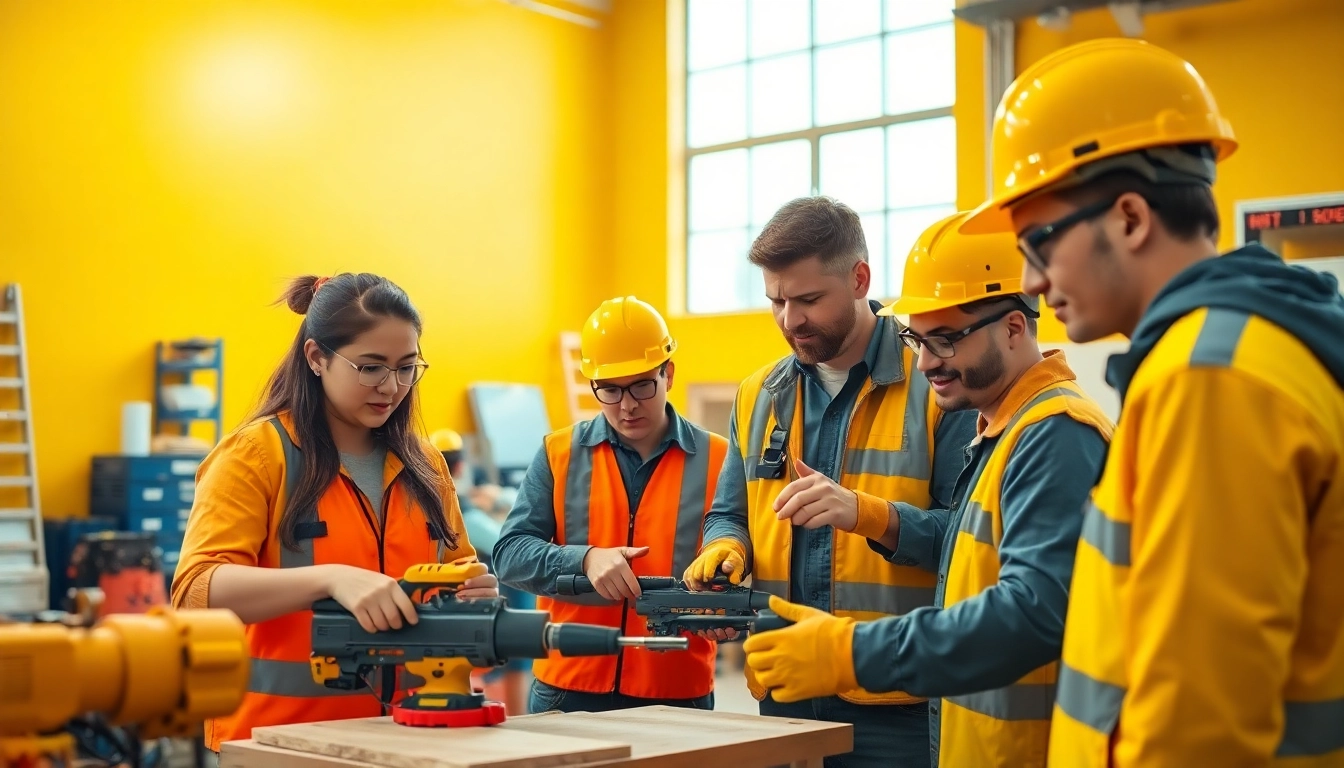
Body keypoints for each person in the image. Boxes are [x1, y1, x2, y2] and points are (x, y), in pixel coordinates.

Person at [959, 38, 1344, 766]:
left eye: (1039, 244)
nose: (1033, 283)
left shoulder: (1209, 382)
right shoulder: (1249, 346)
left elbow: (1196, 727)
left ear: (1130, 218)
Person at [740, 212, 1114, 768]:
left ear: (1015, 327)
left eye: (944, 340)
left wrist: (850, 650)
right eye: (916, 339)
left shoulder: (1055, 434)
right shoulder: (1002, 433)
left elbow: (1031, 614)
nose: (925, 362)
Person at [683, 196, 978, 768]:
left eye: (809, 299)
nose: (790, 320)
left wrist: (868, 514)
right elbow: (730, 511)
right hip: (784, 690)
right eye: (776, 300)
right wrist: (726, 546)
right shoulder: (757, 395)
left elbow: (971, 539)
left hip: (898, 702)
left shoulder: (938, 382)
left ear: (860, 278)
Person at [171, 273, 498, 752]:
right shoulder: (258, 455)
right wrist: (331, 580)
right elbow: (195, 591)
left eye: (407, 368)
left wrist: (474, 602)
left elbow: (454, 577)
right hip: (282, 746)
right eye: (370, 368)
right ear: (316, 357)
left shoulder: (425, 465)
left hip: (413, 741)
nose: (392, 386)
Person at [493, 296, 729, 714]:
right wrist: (584, 560)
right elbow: (510, 556)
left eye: (642, 385)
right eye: (610, 389)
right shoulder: (557, 453)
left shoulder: (720, 459)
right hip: (567, 687)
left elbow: (742, 560)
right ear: (592, 385)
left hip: (676, 690)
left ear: (668, 374)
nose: (627, 405)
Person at [430, 427, 535, 715]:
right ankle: (518, 717)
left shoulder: (432, 502)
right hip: (498, 593)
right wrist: (499, 502)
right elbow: (509, 540)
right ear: (461, 466)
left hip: (452, 601)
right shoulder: (462, 507)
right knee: (518, 659)